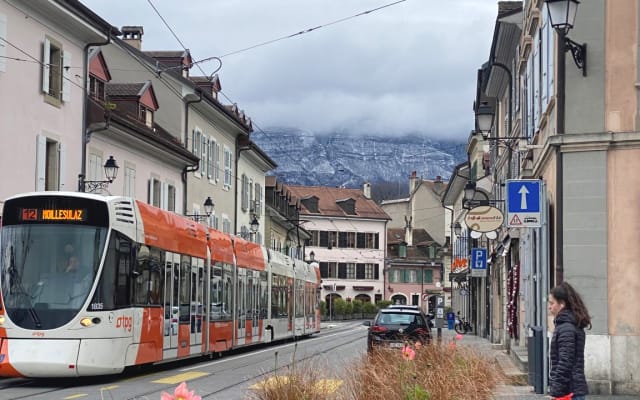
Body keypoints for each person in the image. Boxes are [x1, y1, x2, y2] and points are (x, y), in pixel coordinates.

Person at [548, 281, 591, 400]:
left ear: (562, 304)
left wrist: (556, 391)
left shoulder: (567, 328)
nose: (549, 306)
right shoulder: (570, 324)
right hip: (572, 390)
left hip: (569, 392)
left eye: (552, 303)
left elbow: (565, 362)